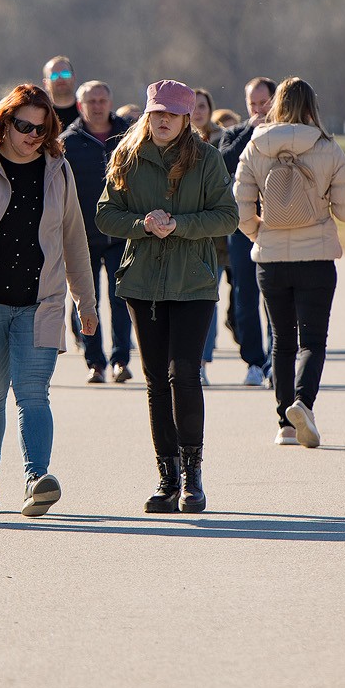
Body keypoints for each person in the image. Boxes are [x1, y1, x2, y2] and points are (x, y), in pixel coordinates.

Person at [0, 85, 97, 517]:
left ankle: (36, 479)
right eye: (23, 125)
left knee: (33, 394)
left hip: (41, 302)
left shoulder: (58, 169)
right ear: (5, 122)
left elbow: (74, 240)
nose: (32, 134)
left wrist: (85, 302)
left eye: (41, 126)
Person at [96, 80, 238, 512]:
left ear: (186, 119)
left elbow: (228, 217)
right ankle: (167, 478)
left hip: (192, 283)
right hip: (142, 284)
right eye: (157, 113)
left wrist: (179, 224)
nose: (163, 121)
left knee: (184, 375)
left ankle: (193, 477)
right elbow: (105, 214)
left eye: (172, 115)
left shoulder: (208, 159)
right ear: (148, 114)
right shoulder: (127, 156)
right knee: (157, 381)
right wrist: (142, 223)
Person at [233, 77, 345, 449]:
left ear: (275, 104)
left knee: (282, 342)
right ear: (311, 106)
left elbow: (239, 207)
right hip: (316, 258)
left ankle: (284, 424)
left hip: (271, 260)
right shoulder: (327, 146)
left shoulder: (255, 146)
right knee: (312, 341)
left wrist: (261, 233)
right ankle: (303, 403)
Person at [60, 80, 133, 384]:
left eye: (103, 99)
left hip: (121, 231)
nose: (98, 106)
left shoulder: (129, 135)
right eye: (92, 101)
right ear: (80, 105)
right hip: (82, 235)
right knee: (86, 300)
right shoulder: (68, 142)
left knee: (121, 298)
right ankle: (95, 363)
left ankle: (120, 360)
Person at [216, 77, 276, 387]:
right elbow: (225, 161)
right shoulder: (234, 134)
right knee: (245, 294)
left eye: (263, 103)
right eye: (252, 103)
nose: (258, 109)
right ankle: (253, 360)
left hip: (278, 226)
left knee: (275, 297)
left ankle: (274, 361)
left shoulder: (285, 135)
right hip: (242, 227)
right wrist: (253, 130)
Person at [191, 88, 225, 383]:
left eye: (202, 106)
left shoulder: (223, 140)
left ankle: (201, 361)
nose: (197, 111)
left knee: (208, 301)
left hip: (218, 240)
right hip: (186, 234)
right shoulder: (177, 143)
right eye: (192, 106)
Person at [42, 55, 79, 129]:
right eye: (54, 75)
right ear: (45, 83)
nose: (60, 78)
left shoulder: (87, 112)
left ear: (74, 77)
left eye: (65, 74)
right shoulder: (41, 115)